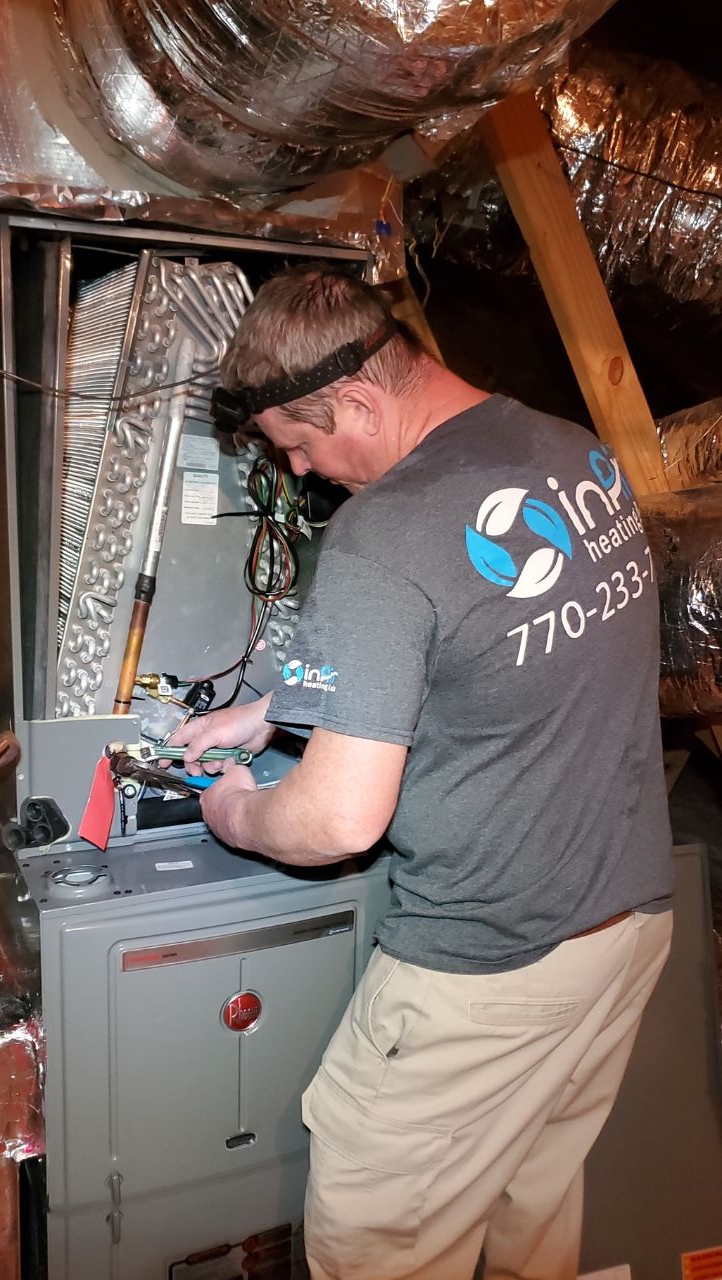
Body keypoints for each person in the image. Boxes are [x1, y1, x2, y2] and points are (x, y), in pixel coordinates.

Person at [172, 266, 674, 1280]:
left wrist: (234, 808)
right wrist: (270, 705)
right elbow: (482, 636)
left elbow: (338, 820)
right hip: (624, 924)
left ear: (357, 400)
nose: (306, 474)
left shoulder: (384, 531)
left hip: (489, 962)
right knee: (530, 1203)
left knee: (378, 1238)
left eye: (303, 446)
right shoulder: (565, 447)